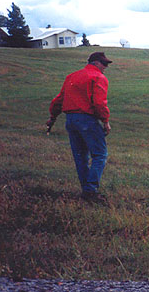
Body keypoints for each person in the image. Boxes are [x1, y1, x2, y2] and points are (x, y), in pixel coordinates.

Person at [47, 52, 112, 205]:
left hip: (70, 120)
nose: (105, 67)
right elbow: (99, 103)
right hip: (87, 120)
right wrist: (105, 121)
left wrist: (53, 117)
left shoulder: (72, 76)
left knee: (80, 156)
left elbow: (59, 100)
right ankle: (90, 190)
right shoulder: (98, 77)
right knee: (100, 154)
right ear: (95, 63)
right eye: (104, 64)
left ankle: (86, 190)